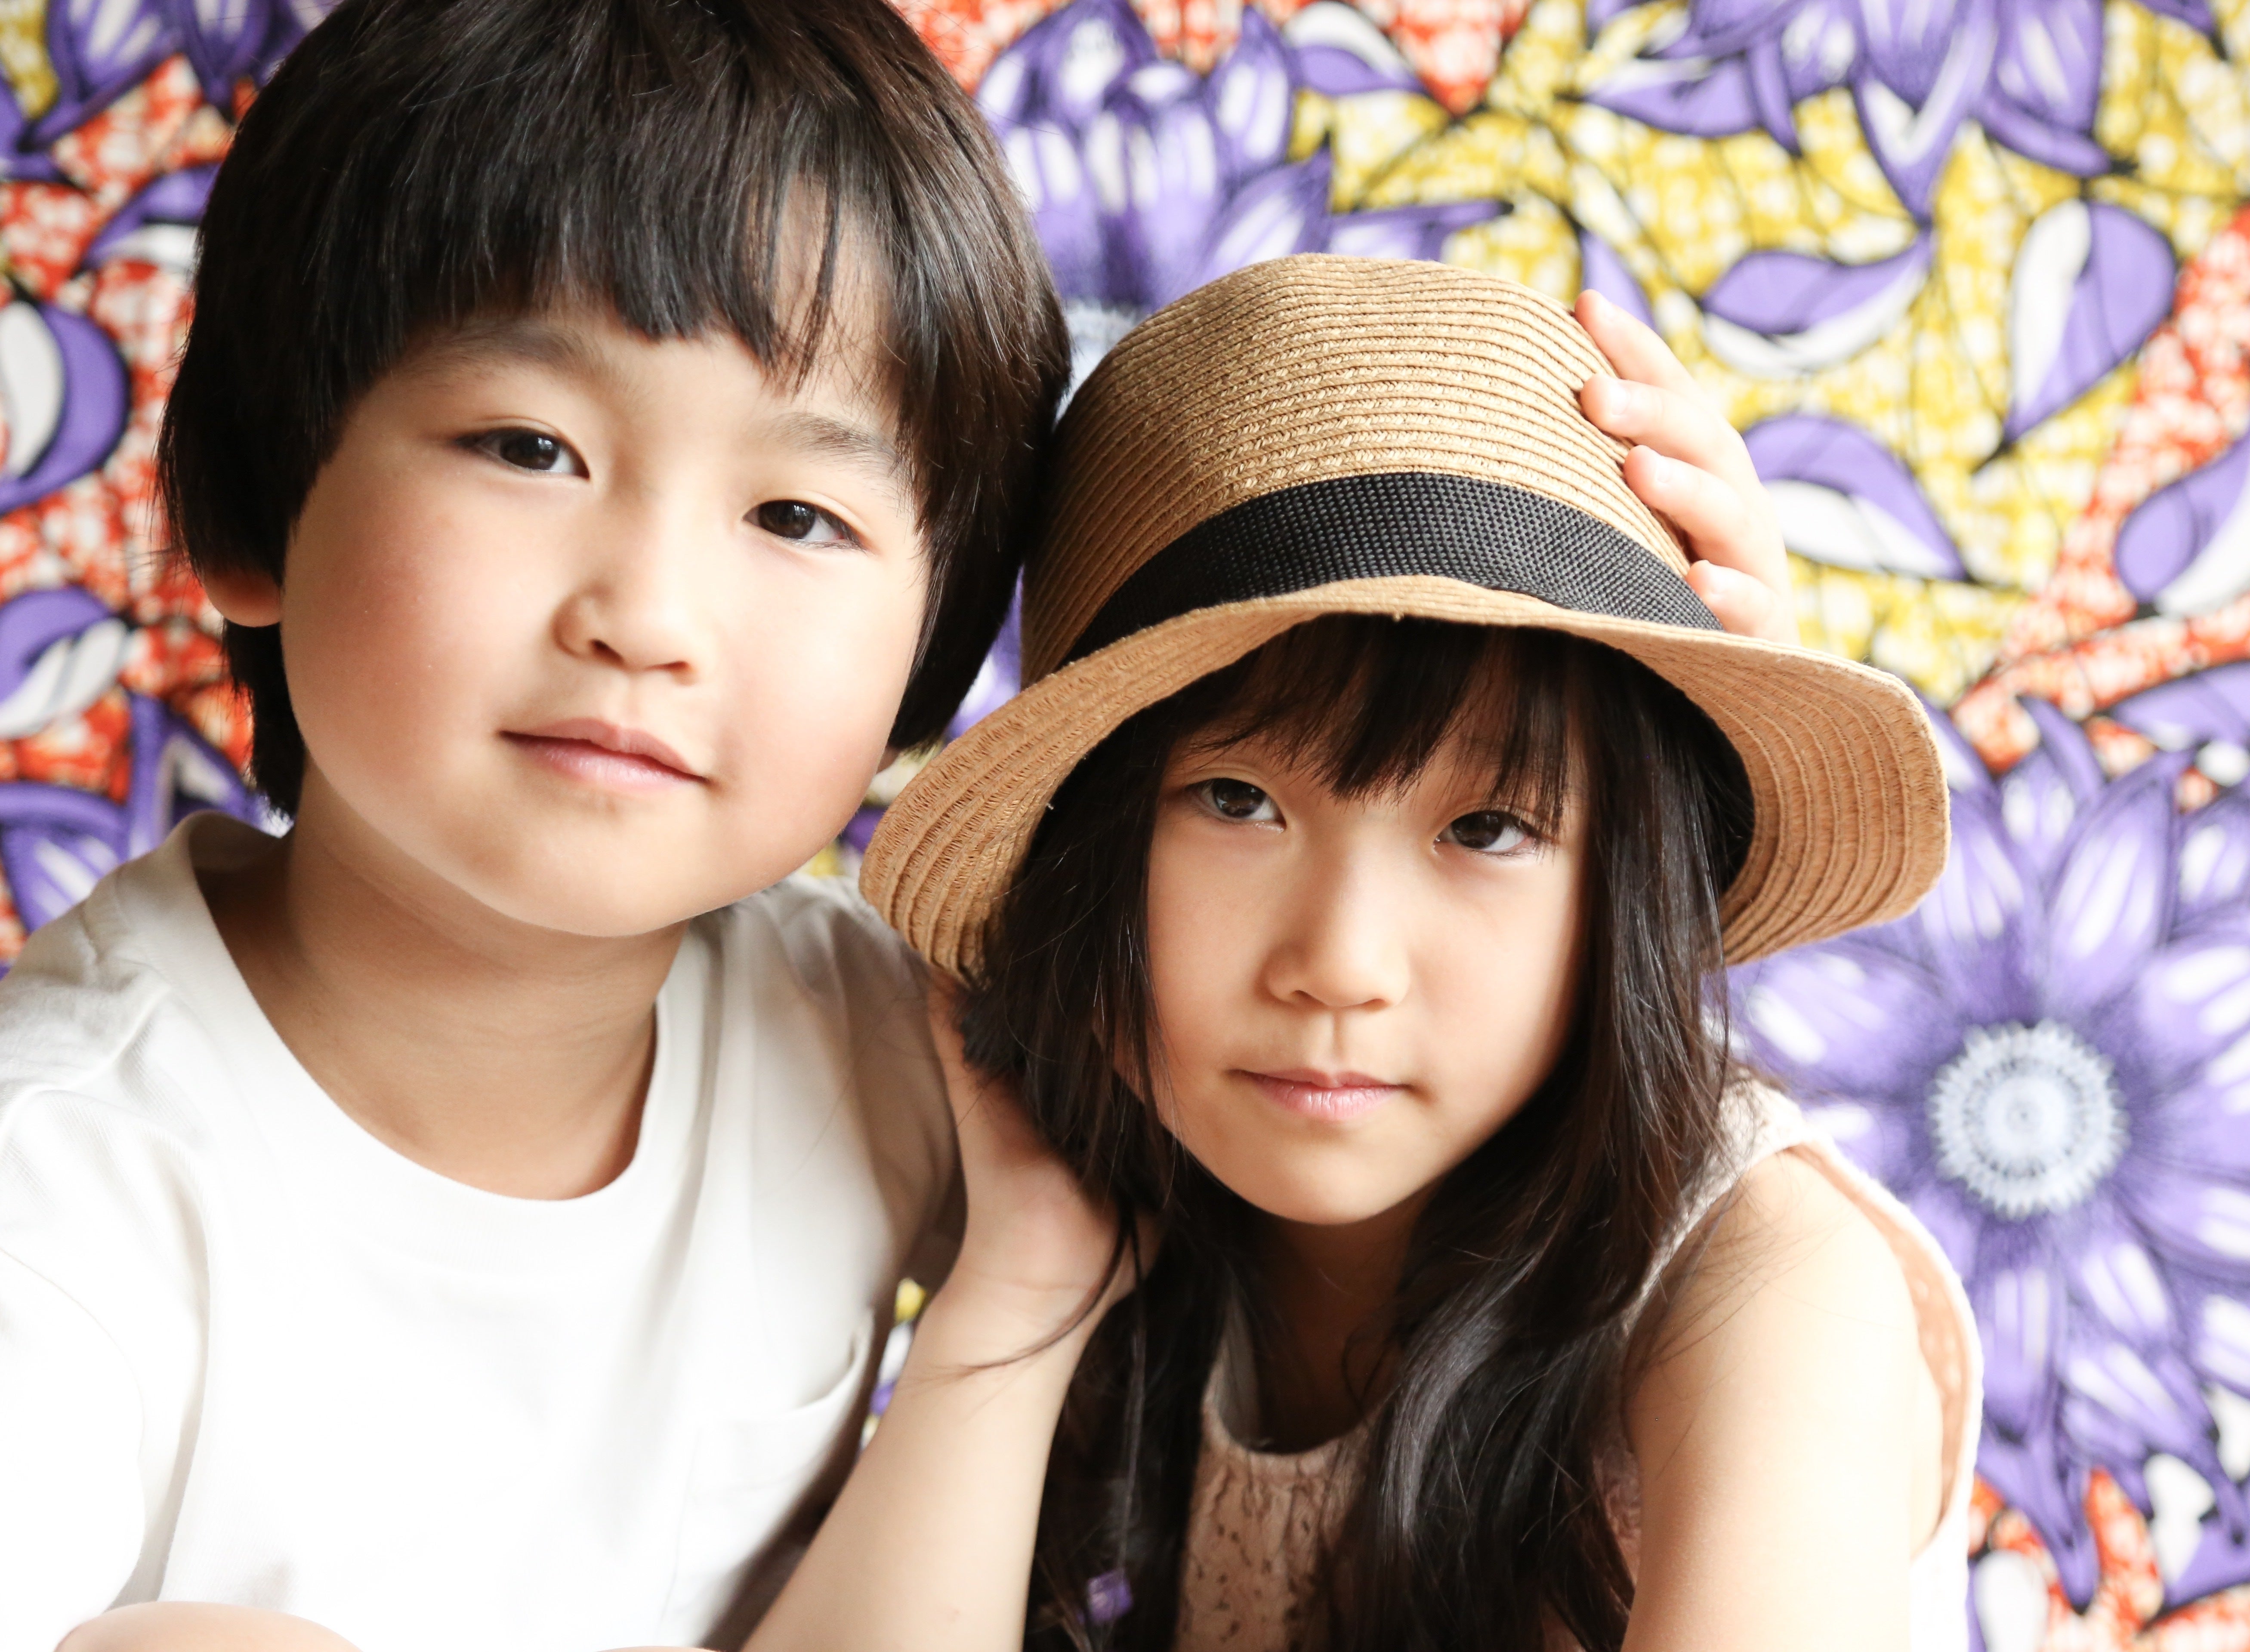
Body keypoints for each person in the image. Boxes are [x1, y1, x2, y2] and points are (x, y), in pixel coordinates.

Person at [0, 12, 1793, 1652]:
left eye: (796, 515)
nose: (650, 616)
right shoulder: (67, 1180)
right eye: (530, 449)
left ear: (932, 648)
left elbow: (1441, 1125)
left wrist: (1662, 731)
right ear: (247, 503)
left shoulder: (877, 1039)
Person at [822, 255, 1982, 1652]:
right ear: (1088, 846)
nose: (1342, 964)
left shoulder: (1766, 1291)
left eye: (1488, 829)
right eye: (1237, 802)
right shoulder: (1129, 1216)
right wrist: (1025, 1288)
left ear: (1629, 886)